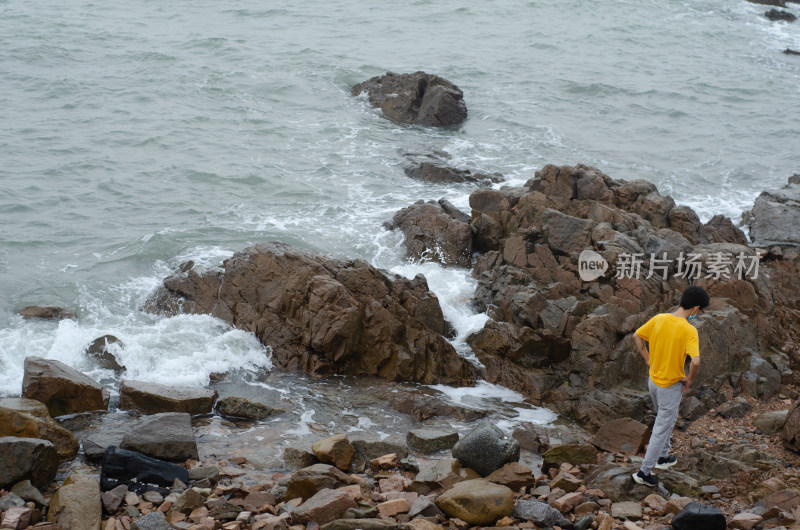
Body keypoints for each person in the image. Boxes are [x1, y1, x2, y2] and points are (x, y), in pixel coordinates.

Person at [631, 285, 709, 487]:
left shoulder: (659, 319)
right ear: (695, 308)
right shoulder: (689, 330)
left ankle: (663, 456)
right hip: (670, 386)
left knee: (665, 418)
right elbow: (696, 361)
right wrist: (690, 379)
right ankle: (644, 472)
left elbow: (637, 337)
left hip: (653, 382)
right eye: (700, 311)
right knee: (662, 425)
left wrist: (648, 359)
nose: (698, 314)